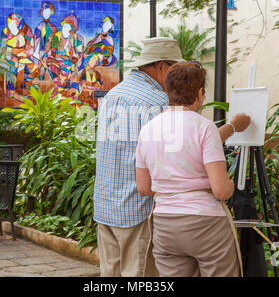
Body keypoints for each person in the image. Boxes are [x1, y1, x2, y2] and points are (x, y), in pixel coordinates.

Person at [93, 37, 250, 277]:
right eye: (174, 67)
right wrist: (231, 127)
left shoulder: (112, 96)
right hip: (136, 210)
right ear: (160, 67)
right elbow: (193, 144)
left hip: (105, 207)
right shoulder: (158, 103)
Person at [135, 61, 246, 277]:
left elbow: (143, 187)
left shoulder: (148, 129)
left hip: (165, 225)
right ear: (200, 92)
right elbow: (221, 190)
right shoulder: (204, 127)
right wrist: (232, 183)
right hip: (206, 223)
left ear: (168, 90)